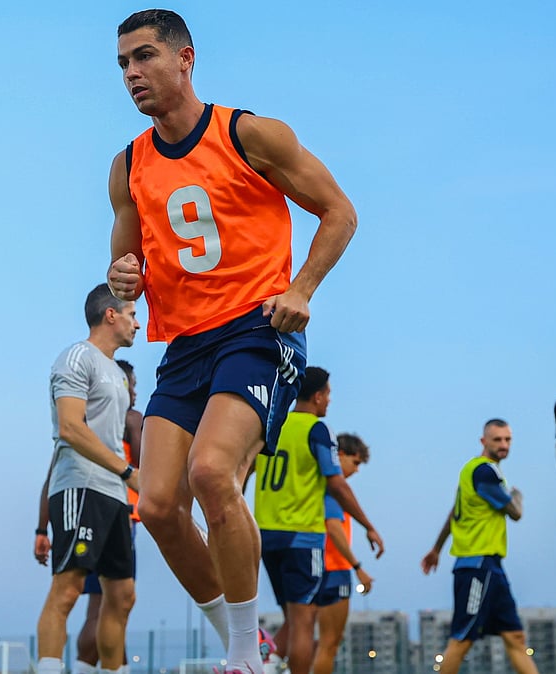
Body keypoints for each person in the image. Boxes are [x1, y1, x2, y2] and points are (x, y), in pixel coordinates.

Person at [106, 10, 357, 673]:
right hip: (185, 346)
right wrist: (123, 276)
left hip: (256, 330)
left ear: (185, 59)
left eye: (145, 57)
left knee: (213, 473)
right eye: (123, 63)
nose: (132, 73)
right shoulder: (128, 164)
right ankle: (246, 641)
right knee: (157, 505)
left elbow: (340, 212)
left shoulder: (249, 133)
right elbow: (123, 274)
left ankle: (246, 658)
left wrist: (301, 289)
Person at [36, 285, 141, 674]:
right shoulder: (76, 357)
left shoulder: (115, 370)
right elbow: (69, 428)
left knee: (122, 595)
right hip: (81, 485)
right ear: (110, 315)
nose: (138, 322)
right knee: (68, 589)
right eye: (131, 314)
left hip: (114, 494)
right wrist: (129, 472)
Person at [254, 368, 383, 674]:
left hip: (266, 534)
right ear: (318, 396)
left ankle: (264, 661)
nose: (329, 401)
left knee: (290, 617)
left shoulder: (272, 424)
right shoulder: (317, 429)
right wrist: (368, 525)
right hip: (301, 535)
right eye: (328, 394)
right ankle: (269, 665)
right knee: (303, 622)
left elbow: (246, 470)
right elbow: (336, 484)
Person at [419, 419, 538, 674]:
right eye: (497, 439)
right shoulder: (486, 471)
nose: (504, 445)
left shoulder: (470, 471)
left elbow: (455, 512)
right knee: (462, 639)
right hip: (476, 565)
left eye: (508, 439)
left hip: (492, 566)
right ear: (483, 442)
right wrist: (517, 495)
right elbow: (515, 512)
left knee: (515, 637)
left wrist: (436, 548)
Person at [311, 433, 375, 674]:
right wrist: (358, 568)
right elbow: (333, 527)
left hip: (316, 565)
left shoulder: (316, 483)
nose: (356, 471)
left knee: (313, 640)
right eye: (355, 462)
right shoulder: (334, 486)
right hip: (333, 569)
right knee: (330, 644)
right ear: (339, 455)